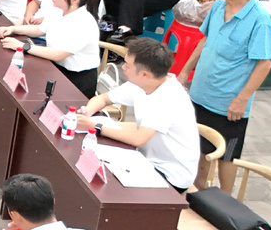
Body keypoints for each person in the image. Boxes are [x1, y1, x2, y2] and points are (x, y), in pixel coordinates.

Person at [182, 0, 271, 193]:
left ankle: (225, 200)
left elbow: (264, 64)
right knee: (199, 149)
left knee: (227, 156)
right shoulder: (218, 5)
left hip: (229, 101)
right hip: (201, 92)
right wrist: (184, 72)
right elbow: (204, 40)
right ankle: (196, 195)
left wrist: (241, 99)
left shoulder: (260, 18)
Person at [76, 37, 200, 190]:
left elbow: (138, 139)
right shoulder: (142, 83)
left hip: (169, 173)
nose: (123, 68)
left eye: (127, 65)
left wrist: (96, 126)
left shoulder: (168, 98)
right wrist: (88, 111)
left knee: (104, 181)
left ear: (144, 74)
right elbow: (103, 99)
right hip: (144, 157)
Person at [0, 0, 104, 96]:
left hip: (76, 79)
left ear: (74, 0)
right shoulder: (58, 10)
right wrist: (12, 29)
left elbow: (58, 54)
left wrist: (23, 46)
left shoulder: (84, 23)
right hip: (54, 67)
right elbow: (39, 29)